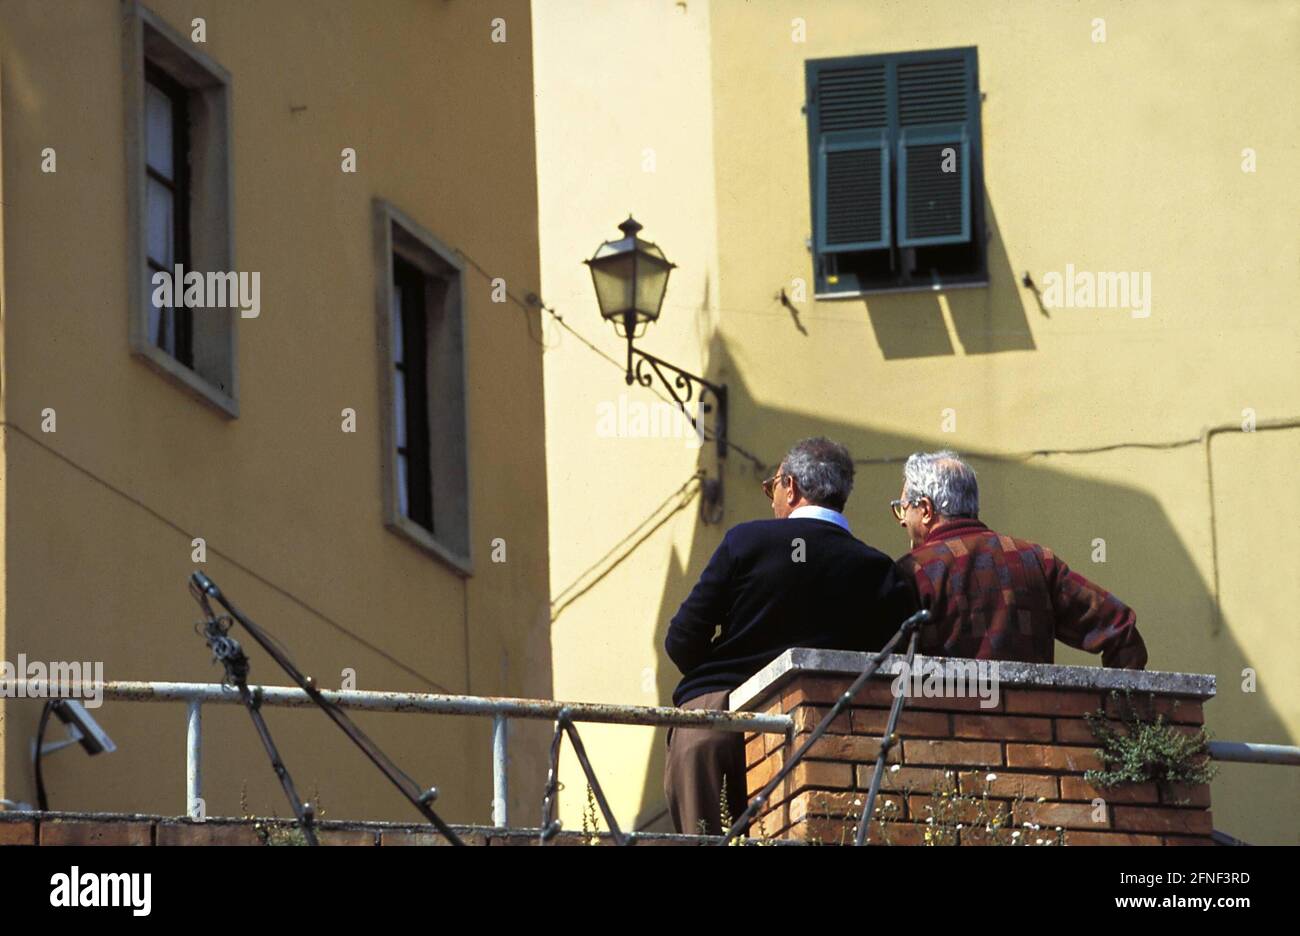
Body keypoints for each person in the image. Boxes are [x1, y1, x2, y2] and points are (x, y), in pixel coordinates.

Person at [663, 437, 915, 835]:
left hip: (715, 724)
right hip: (826, 732)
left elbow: (681, 639)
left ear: (791, 486)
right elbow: (895, 659)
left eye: (773, 487)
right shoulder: (878, 570)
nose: (772, 498)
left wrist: (725, 668)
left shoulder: (746, 542)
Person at [892, 450, 1147, 668]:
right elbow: (1118, 626)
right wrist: (1119, 716)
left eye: (903, 507)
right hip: (1035, 724)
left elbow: (879, 667)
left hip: (942, 722)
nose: (902, 520)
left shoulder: (913, 571)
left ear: (925, 509)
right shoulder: (1035, 560)